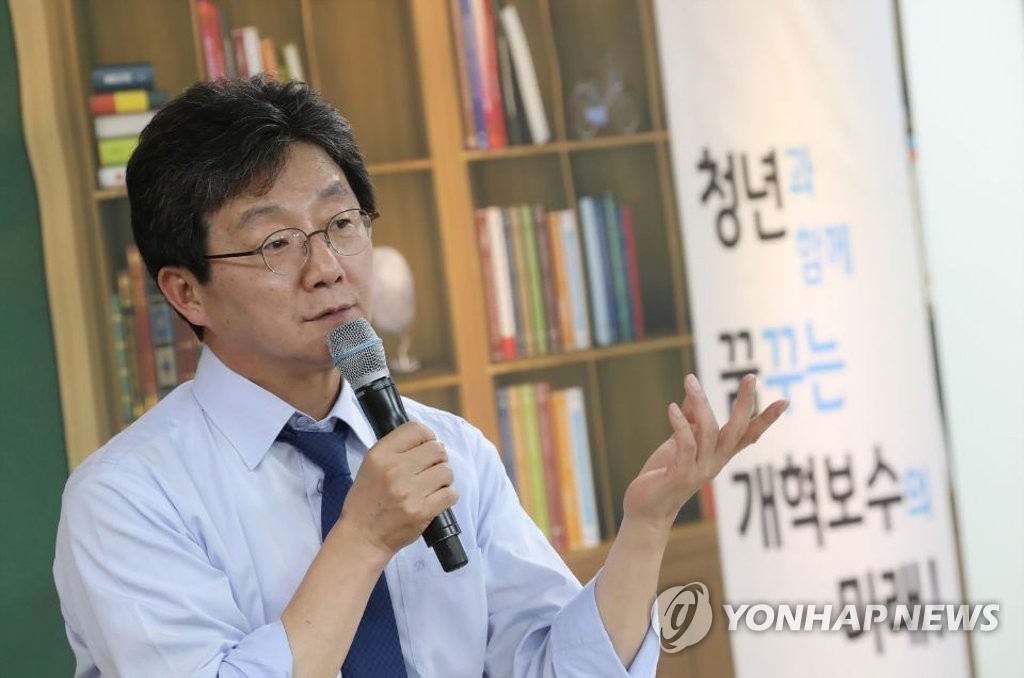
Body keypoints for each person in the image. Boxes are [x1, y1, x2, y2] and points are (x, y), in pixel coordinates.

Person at [53, 77, 787, 677]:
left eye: (342, 224)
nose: (327, 267)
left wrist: (646, 527)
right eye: (277, 242)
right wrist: (362, 539)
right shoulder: (126, 499)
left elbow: (551, 668)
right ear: (186, 293)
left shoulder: (450, 449)